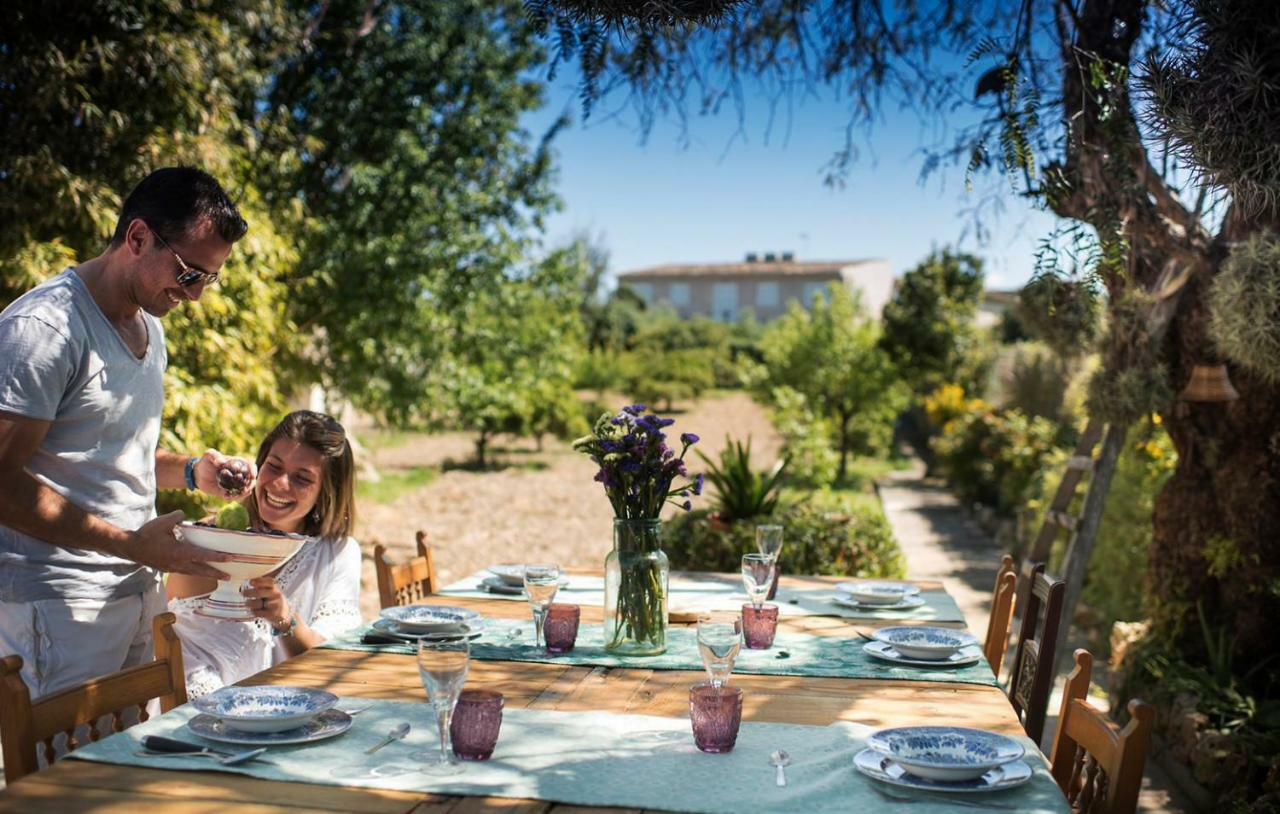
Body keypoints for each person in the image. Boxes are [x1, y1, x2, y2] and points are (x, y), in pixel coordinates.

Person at [0, 167, 258, 698]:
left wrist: (191, 472)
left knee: (126, 769)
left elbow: (108, 451)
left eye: (209, 279)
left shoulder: (150, 327)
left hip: (135, 591)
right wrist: (133, 546)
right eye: (190, 273)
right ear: (138, 238)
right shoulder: (46, 330)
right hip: (57, 605)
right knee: (65, 779)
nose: (197, 296)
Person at [167, 411, 362, 697]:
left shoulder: (336, 554)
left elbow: (334, 661)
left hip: (288, 715)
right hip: (197, 718)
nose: (280, 484)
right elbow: (177, 646)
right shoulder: (209, 541)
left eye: (302, 478)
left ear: (326, 492)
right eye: (274, 466)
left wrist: (287, 620)